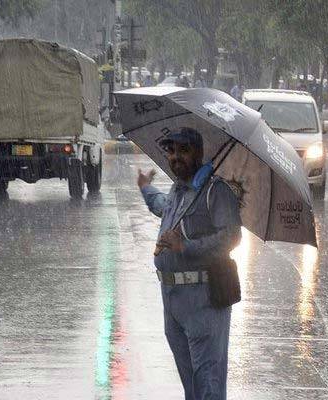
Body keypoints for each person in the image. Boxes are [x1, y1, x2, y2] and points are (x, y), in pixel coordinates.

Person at [137, 127, 242, 400]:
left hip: (203, 301)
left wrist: (186, 246)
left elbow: (232, 236)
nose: (175, 157)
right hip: (172, 302)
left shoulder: (215, 191)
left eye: (184, 150)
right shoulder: (179, 190)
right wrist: (146, 189)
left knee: (207, 383)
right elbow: (163, 207)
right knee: (191, 387)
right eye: (171, 151)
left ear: (198, 153)